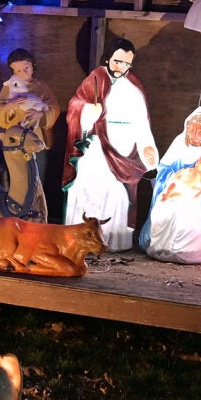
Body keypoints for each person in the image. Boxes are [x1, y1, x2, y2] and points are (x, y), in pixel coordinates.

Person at [63, 35, 157, 251]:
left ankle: (114, 239)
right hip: (97, 147)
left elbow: (142, 121)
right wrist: (87, 111)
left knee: (118, 194)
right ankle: (83, 238)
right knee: (91, 189)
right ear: (108, 58)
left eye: (126, 63)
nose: (121, 67)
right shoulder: (94, 80)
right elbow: (74, 107)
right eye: (118, 61)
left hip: (125, 148)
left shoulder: (134, 87)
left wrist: (147, 147)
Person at [144, 105, 201, 263]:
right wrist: (175, 177)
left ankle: (186, 251)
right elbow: (163, 170)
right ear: (187, 128)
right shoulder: (178, 144)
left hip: (199, 197)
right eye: (192, 129)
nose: (196, 135)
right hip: (175, 191)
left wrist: (200, 183)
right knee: (162, 209)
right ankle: (162, 247)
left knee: (187, 215)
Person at [0, 48, 55, 220]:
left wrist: (41, 114)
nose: (22, 73)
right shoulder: (10, 88)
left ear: (33, 65)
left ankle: (35, 216)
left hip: (34, 143)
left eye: (26, 68)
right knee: (13, 177)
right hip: (14, 144)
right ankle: (10, 216)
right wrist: (9, 105)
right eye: (18, 70)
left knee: (36, 179)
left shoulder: (41, 88)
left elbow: (53, 109)